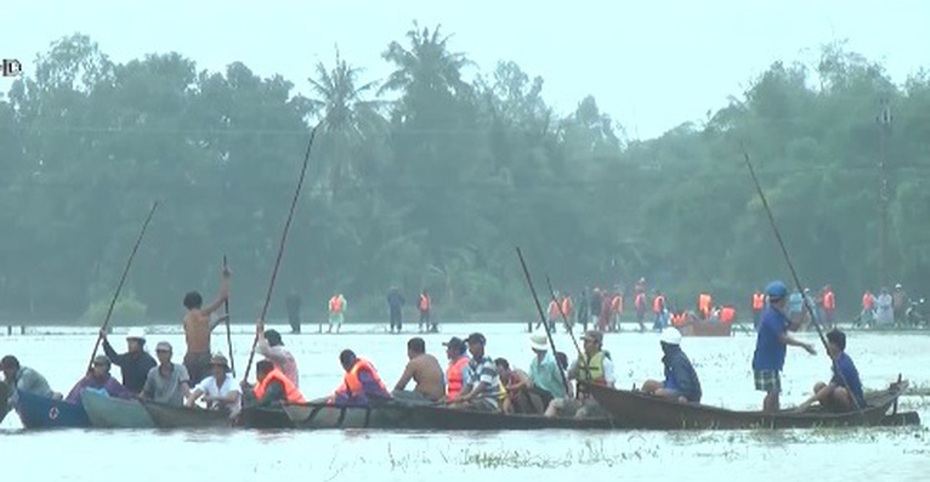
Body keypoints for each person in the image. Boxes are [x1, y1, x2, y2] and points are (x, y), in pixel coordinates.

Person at [752, 281, 817, 412]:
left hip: (773, 362)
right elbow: (782, 338)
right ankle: (767, 417)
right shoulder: (770, 316)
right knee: (773, 392)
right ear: (782, 299)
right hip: (765, 362)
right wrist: (804, 345)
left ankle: (774, 418)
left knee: (774, 392)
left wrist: (804, 312)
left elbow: (793, 327)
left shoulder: (779, 314)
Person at [545, 330, 616, 419]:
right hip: (580, 401)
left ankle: (577, 428)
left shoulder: (606, 363)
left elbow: (610, 388)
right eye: (584, 341)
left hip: (597, 403)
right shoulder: (580, 360)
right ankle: (546, 424)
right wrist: (576, 366)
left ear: (597, 344)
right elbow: (569, 377)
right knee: (554, 403)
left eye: (588, 342)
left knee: (580, 413)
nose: (584, 344)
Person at [183, 266, 231, 385]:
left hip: (190, 357)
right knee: (211, 384)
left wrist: (219, 320)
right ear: (199, 303)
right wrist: (226, 278)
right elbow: (222, 298)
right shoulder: (201, 313)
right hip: (203, 357)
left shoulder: (186, 319)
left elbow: (205, 332)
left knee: (189, 384)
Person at [798, 329, 866, 412]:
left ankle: (848, 412)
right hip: (839, 394)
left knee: (839, 392)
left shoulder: (844, 364)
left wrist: (808, 402)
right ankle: (830, 410)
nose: (826, 346)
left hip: (855, 400)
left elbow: (831, 387)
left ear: (835, 346)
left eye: (829, 343)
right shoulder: (836, 360)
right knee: (818, 386)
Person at [641, 328, 702, 403]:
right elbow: (669, 381)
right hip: (672, 387)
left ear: (667, 346)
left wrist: (665, 392)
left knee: (659, 393)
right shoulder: (669, 359)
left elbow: (686, 389)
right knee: (649, 384)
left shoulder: (678, 361)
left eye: (662, 344)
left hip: (688, 396)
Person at [452, 333, 500, 412]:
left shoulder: (488, 364)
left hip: (488, 402)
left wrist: (468, 397)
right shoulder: (473, 365)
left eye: (473, 344)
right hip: (476, 400)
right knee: (452, 406)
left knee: (460, 408)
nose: (470, 347)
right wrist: (457, 398)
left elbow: (482, 386)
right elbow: (468, 386)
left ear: (481, 345)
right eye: (469, 344)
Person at [100, 327, 156, 394]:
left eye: (133, 342)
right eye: (128, 342)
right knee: (111, 384)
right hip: (126, 393)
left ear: (140, 344)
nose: (129, 345)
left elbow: (153, 382)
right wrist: (105, 340)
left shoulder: (149, 361)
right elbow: (113, 357)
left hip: (142, 396)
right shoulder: (126, 358)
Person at [392, 337, 445, 402]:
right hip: (440, 397)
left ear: (410, 351)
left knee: (396, 394)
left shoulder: (414, 363)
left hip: (427, 398)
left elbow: (400, 386)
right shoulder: (432, 358)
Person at [66, 355, 134, 404]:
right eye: (96, 365)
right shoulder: (86, 381)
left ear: (107, 368)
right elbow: (73, 397)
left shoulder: (111, 383)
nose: (98, 368)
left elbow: (124, 394)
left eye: (101, 365)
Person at [141, 341, 191, 406]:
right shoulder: (153, 372)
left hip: (176, 409)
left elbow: (185, 389)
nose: (161, 355)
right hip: (158, 408)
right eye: (159, 352)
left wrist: (191, 401)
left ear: (171, 354)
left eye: (164, 352)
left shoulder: (180, 369)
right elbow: (146, 392)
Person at [528, 333, 568, 409]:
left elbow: (564, 380)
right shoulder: (534, 362)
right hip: (540, 393)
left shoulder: (552, 363)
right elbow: (531, 379)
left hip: (552, 395)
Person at [255, 321, 299, 387]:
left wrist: (260, 333)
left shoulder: (284, 354)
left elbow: (263, 350)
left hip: (287, 393)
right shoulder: (272, 358)